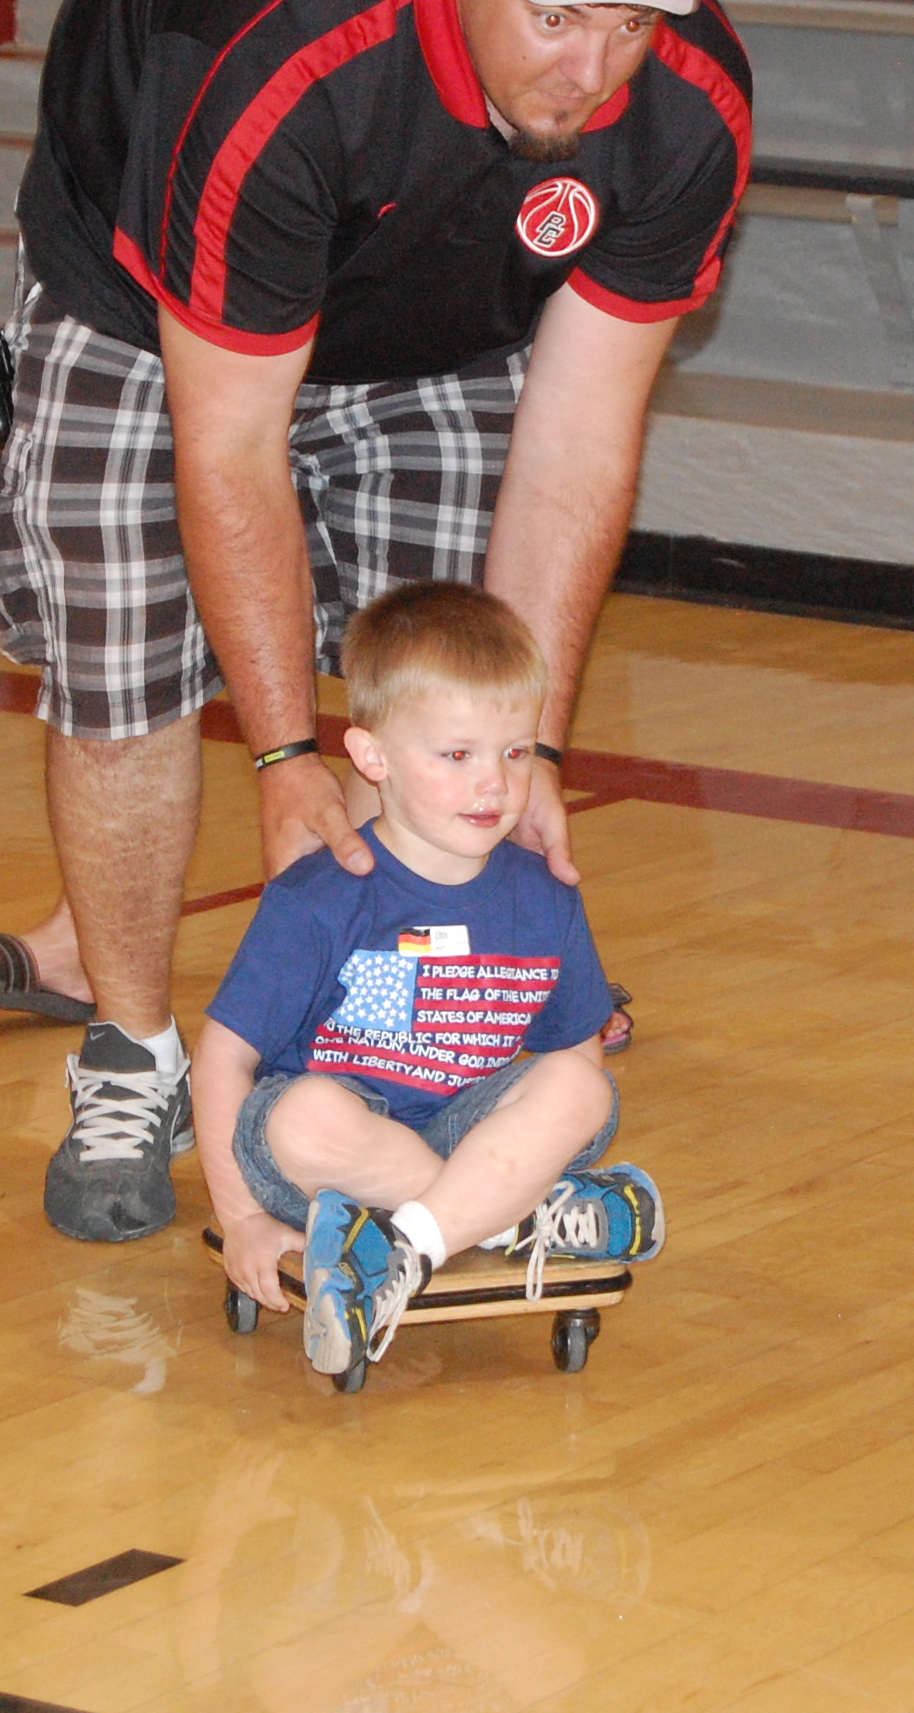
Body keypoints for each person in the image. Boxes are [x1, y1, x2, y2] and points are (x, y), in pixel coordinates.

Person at [0, 0, 748, 1249]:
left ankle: (428, 1072)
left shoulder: (687, 108)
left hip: (436, 310)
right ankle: (132, 1048)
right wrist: (282, 750)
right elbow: (230, 453)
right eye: (556, 14)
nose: (596, 71)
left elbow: (580, 448)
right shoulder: (284, 58)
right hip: (148, 289)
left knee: (453, 710)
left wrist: (531, 756)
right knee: (126, 648)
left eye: (634, 21)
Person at [0, 0, 471, 1025]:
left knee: (420, 650)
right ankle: (91, 953)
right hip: (166, 293)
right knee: (130, 642)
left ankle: (494, 957)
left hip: (374, 326)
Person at [193, 584, 662, 1377]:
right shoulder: (321, 898)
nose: (494, 785)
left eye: (516, 754)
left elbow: (573, 1063)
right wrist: (240, 1216)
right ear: (371, 757)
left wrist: (537, 1125)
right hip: (336, 1154)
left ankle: (406, 1247)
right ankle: (506, 1220)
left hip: (463, 1129)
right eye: (457, 756)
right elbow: (221, 1061)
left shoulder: (545, 897)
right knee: (304, 1115)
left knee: (583, 1088)